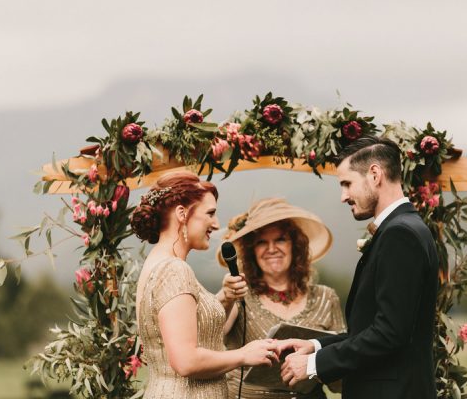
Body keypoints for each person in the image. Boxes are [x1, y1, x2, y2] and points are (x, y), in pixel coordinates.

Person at [278, 136, 439, 399]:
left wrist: (314, 365)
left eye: (347, 184)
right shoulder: (403, 228)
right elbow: (370, 329)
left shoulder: (400, 235)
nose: (343, 197)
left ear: (375, 174)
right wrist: (315, 346)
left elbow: (389, 333)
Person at [131, 171, 279, 399]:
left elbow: (190, 328)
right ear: (182, 213)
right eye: (210, 213)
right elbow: (186, 361)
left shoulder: (156, 262)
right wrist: (244, 354)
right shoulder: (174, 270)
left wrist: (224, 298)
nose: (216, 224)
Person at [216, 197, 346, 399]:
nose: (271, 249)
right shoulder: (239, 295)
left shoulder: (326, 297)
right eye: (261, 242)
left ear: (296, 246)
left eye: (280, 239)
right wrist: (226, 296)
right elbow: (212, 333)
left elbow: (342, 373)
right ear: (251, 252)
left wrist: (316, 364)